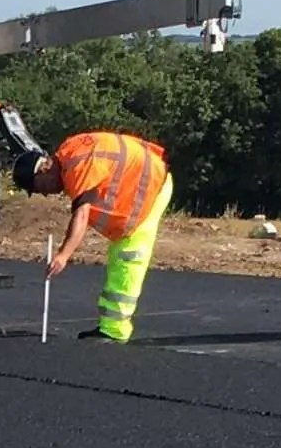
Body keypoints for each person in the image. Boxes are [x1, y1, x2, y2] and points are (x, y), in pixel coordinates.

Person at [18, 130, 174, 342]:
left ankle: (115, 330)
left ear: (44, 169)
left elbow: (81, 215)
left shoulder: (78, 167)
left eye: (40, 188)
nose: (45, 194)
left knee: (127, 257)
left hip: (150, 188)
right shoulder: (69, 153)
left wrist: (63, 255)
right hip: (143, 177)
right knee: (120, 251)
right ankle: (111, 327)